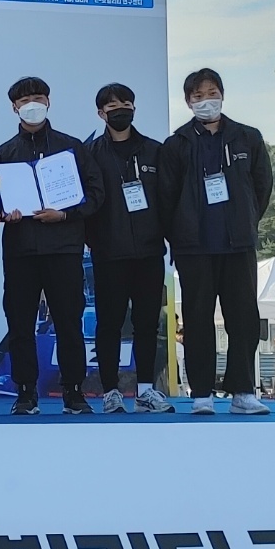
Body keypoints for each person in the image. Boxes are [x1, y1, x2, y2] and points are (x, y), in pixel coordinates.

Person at [157, 68, 273, 416]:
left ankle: (243, 391)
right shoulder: (177, 144)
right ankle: (202, 393)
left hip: (237, 245)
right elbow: (166, 197)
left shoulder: (247, 138)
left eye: (211, 93)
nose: (206, 101)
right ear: (188, 101)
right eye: (198, 96)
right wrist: (179, 235)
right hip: (194, 247)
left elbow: (262, 186)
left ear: (222, 95)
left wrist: (245, 220)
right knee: (197, 321)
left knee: (244, 320)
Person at [0, 76, 105, 416]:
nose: (33, 105)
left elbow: (96, 194)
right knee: (20, 323)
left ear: (49, 102)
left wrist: (66, 214)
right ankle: (25, 392)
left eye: (38, 98)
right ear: (14, 108)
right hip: (21, 250)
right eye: (25, 101)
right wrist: (3, 214)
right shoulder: (3, 154)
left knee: (68, 321)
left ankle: (74, 392)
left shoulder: (72, 148)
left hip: (64, 248)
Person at [86, 83, 173, 414]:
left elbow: (168, 199)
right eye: (112, 106)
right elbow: (85, 202)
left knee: (148, 324)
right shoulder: (90, 153)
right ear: (101, 113)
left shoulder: (155, 151)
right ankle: (110, 391)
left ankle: (147, 391)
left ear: (134, 108)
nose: (120, 110)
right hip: (108, 253)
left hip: (149, 252)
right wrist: (94, 239)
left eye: (125, 103)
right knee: (109, 324)